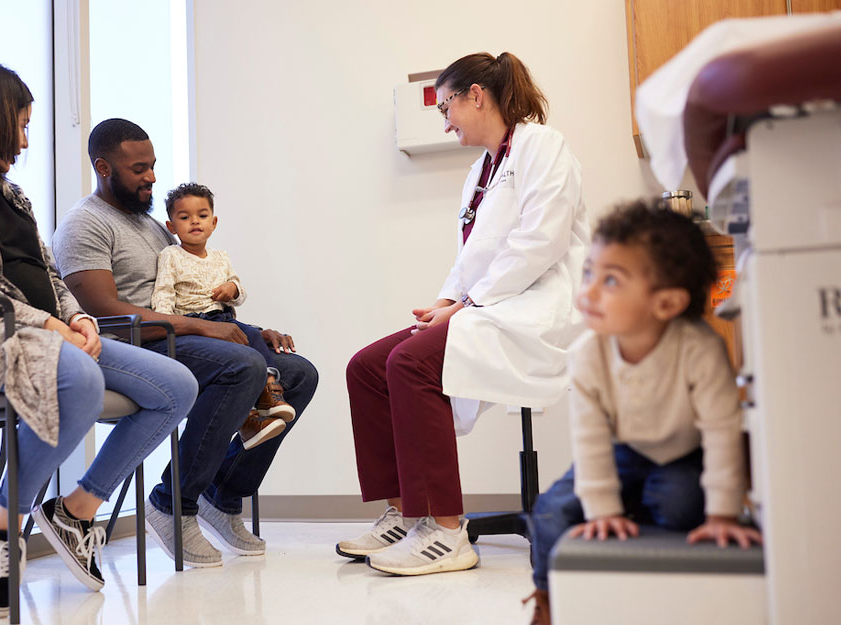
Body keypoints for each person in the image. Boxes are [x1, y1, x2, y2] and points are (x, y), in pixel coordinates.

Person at [0, 63, 197, 618]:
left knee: (175, 385)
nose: (26, 140)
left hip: (39, 335)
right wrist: (47, 326)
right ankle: (4, 525)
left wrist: (77, 319)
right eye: (21, 125)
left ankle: (77, 510)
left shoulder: (14, 196)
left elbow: (48, 276)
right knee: (75, 376)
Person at [338, 51, 590, 576]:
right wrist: (448, 303)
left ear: (477, 95)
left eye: (446, 104)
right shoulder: (481, 168)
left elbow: (541, 241)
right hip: (489, 303)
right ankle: (405, 513)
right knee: (365, 366)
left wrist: (467, 305)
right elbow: (472, 254)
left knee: (410, 364)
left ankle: (447, 532)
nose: (444, 117)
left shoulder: (543, 146)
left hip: (539, 305)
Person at [51, 118, 319, 569]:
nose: (152, 177)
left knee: (297, 373)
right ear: (103, 167)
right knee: (243, 367)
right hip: (135, 347)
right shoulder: (85, 225)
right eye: (139, 168)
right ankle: (172, 503)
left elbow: (193, 300)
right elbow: (101, 312)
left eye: (153, 166)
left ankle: (223, 493)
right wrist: (202, 329)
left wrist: (244, 328)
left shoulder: (154, 227)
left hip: (181, 334)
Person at [522, 201, 762, 625]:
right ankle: (548, 599)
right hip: (622, 452)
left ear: (667, 304)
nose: (589, 292)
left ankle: (638, 502)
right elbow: (590, 438)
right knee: (549, 511)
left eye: (610, 280)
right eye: (590, 273)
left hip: (685, 454)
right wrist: (602, 511)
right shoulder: (588, 355)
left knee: (682, 505)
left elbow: (723, 431)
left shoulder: (700, 350)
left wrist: (723, 512)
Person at [151, 182, 297, 449]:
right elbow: (163, 290)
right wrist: (165, 321)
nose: (195, 222)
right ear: (172, 227)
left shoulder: (221, 257)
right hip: (195, 321)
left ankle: (269, 390)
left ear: (214, 222)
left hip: (223, 318)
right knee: (237, 358)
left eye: (202, 216)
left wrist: (232, 289)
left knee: (252, 334)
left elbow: (240, 292)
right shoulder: (171, 255)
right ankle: (252, 414)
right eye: (184, 217)